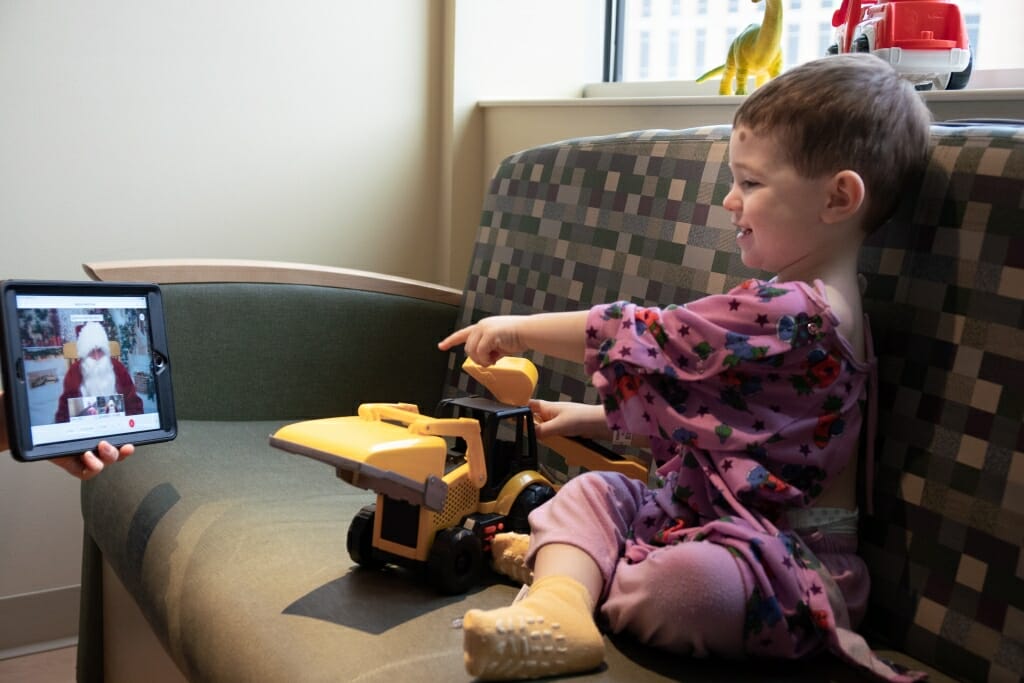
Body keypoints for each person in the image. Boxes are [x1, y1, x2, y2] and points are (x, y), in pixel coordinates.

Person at [438, 54, 931, 682]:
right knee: (595, 490)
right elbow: (734, 422)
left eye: (751, 183)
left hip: (786, 562)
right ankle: (561, 602)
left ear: (838, 197)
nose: (730, 201)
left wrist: (514, 329)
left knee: (690, 586)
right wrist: (593, 415)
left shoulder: (798, 314)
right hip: (700, 516)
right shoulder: (823, 307)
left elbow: (654, 336)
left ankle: (570, 576)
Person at [55, 320, 144, 423]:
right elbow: (64, 410)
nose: (97, 357)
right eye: (92, 352)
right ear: (85, 353)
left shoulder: (117, 367)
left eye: (100, 350)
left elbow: (133, 403)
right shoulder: (74, 372)